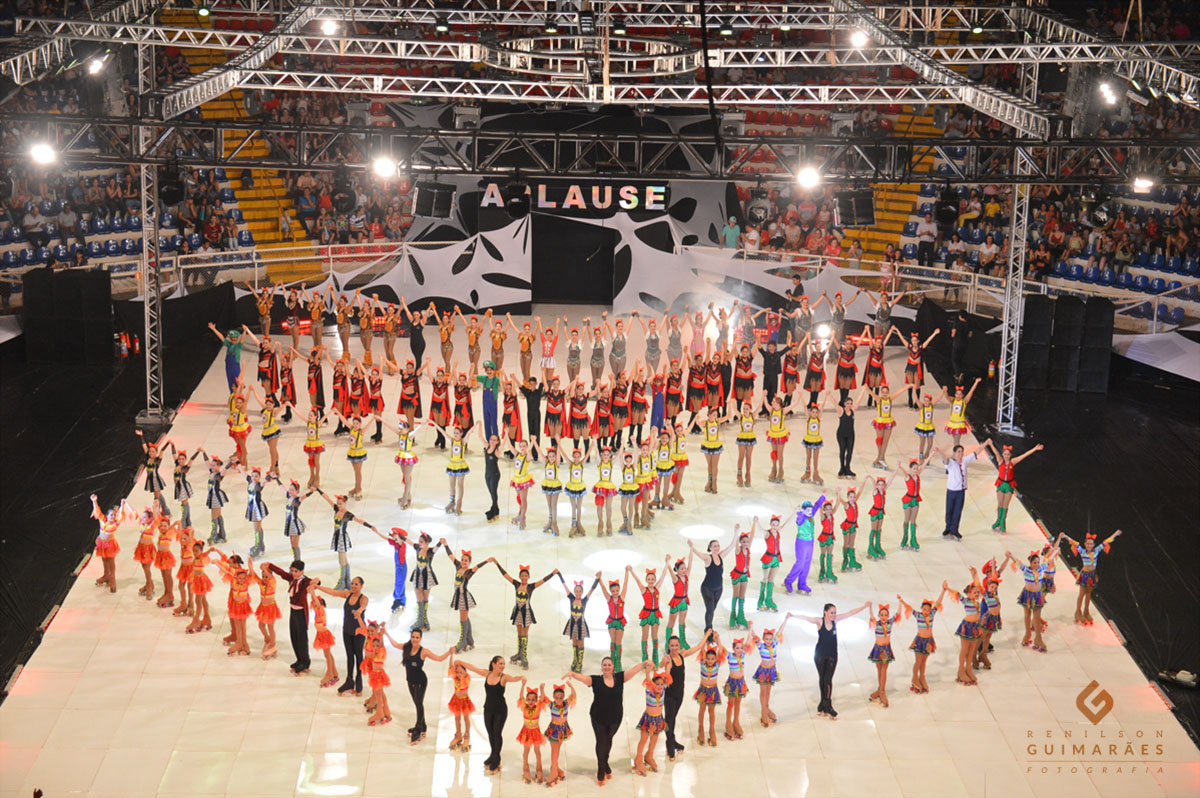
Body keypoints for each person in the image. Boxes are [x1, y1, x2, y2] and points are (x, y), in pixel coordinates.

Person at [565, 657, 650, 786]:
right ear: (601, 667)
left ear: (613, 667)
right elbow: (584, 678)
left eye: (609, 665)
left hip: (615, 717)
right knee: (601, 740)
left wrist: (643, 664)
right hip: (598, 717)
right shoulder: (596, 680)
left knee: (608, 739)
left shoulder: (620, 678)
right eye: (604, 665)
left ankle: (605, 762)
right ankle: (601, 768)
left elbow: (633, 670)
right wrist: (573, 674)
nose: (607, 667)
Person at [793, 601, 869, 719]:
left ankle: (828, 705)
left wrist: (864, 607)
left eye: (835, 613)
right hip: (819, 655)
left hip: (832, 655)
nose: (833, 615)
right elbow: (805, 618)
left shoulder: (836, 620)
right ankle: (822, 703)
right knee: (822, 679)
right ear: (825, 612)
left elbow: (850, 613)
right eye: (831, 612)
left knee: (828, 679)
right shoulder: (820, 621)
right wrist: (792, 616)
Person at [1062, 529, 1122, 626]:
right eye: (1088, 544)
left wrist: (1115, 534)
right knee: (1082, 593)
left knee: (1089, 593)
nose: (1089, 545)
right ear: (1085, 544)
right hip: (1085, 574)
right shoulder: (1082, 551)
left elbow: (1105, 541)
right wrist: (1065, 536)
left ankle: (1086, 611)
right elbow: (1074, 542)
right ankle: (1078, 612)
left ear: (1093, 545)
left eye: (1091, 544)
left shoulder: (1096, 550)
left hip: (1092, 574)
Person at [984, 441, 1044, 533]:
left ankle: (1002, 523)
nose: (1006, 456)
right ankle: (997, 521)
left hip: (1009, 485)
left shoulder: (1013, 461)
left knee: (1005, 506)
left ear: (1010, 455)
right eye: (1005, 454)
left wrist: (1035, 449)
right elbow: (995, 452)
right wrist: (990, 444)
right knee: (1000, 505)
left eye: (1008, 454)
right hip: (1001, 484)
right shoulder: (1000, 461)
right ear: (1003, 454)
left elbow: (1024, 455)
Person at [940, 440, 990, 540]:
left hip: (961, 491)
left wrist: (986, 443)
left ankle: (955, 529)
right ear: (954, 453)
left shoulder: (965, 460)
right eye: (958, 451)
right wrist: (940, 452)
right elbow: (945, 460)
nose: (960, 453)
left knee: (958, 511)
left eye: (961, 451)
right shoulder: (950, 463)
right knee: (949, 510)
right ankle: (948, 528)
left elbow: (977, 451)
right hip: (951, 491)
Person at [687, 533, 736, 632]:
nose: (717, 548)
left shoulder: (721, 556)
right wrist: (692, 547)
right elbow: (699, 554)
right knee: (710, 610)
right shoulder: (708, 558)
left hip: (719, 588)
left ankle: (709, 626)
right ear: (710, 548)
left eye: (718, 546)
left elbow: (732, 545)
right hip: (707, 588)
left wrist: (736, 531)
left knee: (712, 610)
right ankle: (708, 630)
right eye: (714, 546)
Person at [783, 496, 826, 595]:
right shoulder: (801, 517)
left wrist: (822, 497)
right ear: (803, 510)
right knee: (800, 563)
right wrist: (799, 512)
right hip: (801, 542)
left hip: (810, 543)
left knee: (807, 563)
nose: (810, 511)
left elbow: (817, 505)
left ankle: (802, 583)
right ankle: (788, 581)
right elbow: (799, 520)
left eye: (810, 510)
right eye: (808, 510)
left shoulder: (811, 516)